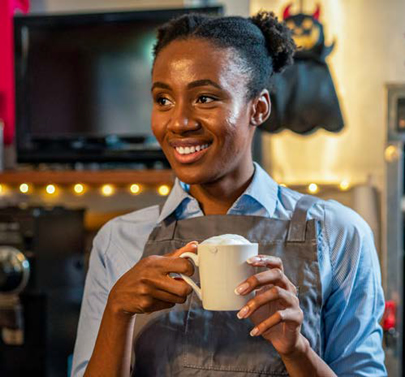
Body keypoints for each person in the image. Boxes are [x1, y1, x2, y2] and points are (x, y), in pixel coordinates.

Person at [71, 11, 387, 377]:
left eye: (205, 98)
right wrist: (117, 312)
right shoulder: (117, 240)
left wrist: (296, 349)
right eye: (163, 100)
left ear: (259, 108)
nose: (179, 122)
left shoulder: (339, 233)